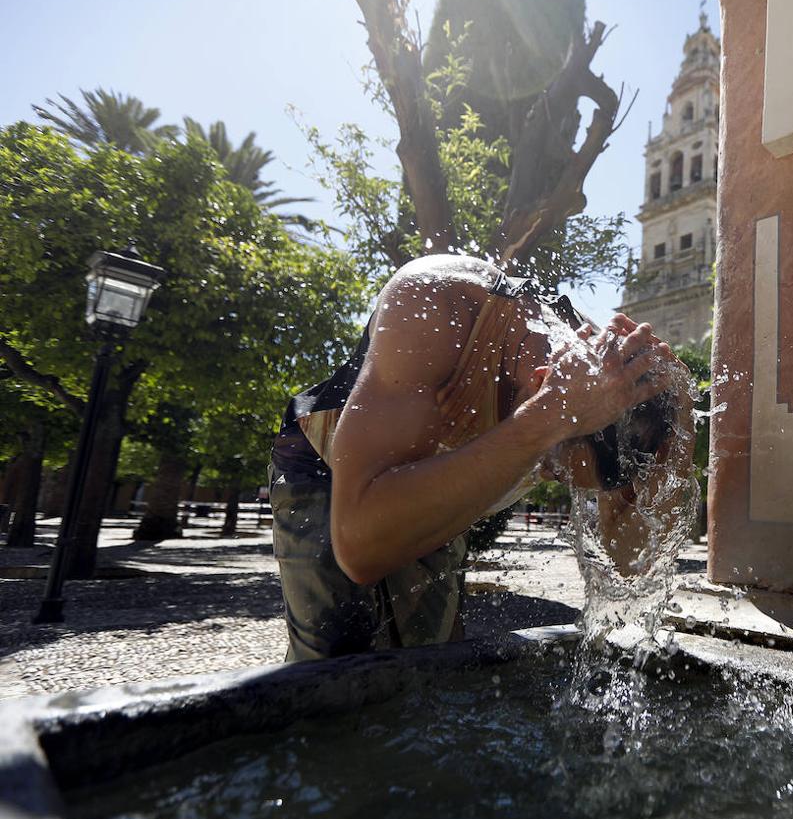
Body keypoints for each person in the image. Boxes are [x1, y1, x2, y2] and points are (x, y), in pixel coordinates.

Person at [269, 254, 689, 660]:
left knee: (430, 669)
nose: (541, 475)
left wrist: (681, 423)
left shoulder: (614, 390)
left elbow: (628, 562)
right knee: (334, 665)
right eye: (549, 464)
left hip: (444, 480)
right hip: (323, 469)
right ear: (543, 385)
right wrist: (543, 422)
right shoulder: (437, 302)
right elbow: (358, 548)